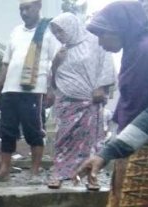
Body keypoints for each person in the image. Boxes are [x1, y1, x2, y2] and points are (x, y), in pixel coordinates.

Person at [76, 1, 148, 207]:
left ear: (122, 28)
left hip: (145, 144)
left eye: (103, 33)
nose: (100, 40)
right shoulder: (137, 50)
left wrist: (106, 153)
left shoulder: (145, 52)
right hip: (136, 141)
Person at [0, 0, 60, 183]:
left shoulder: (48, 31)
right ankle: (4, 170)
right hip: (10, 90)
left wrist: (52, 88)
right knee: (7, 131)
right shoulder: (16, 31)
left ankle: (34, 173)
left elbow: (57, 61)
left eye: (28, 8)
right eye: (21, 9)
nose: (24, 12)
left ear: (38, 7)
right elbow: (6, 63)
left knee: (34, 131)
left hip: (34, 90)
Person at [46, 13, 115, 189]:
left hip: (90, 99)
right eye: (56, 33)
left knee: (91, 141)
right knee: (63, 138)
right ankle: (59, 174)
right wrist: (55, 62)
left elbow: (106, 63)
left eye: (60, 31)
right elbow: (54, 79)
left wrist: (101, 86)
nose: (59, 36)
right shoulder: (62, 50)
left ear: (71, 26)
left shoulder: (94, 42)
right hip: (67, 102)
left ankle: (91, 177)